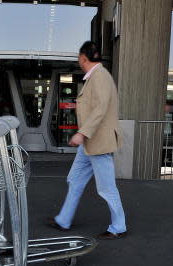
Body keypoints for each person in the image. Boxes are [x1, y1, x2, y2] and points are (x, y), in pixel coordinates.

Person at [49, 41, 127, 240]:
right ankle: (63, 220)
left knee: (107, 188)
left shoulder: (100, 76)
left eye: (79, 59)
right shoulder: (95, 76)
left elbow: (101, 108)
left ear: (84, 58)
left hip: (98, 142)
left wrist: (82, 133)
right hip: (90, 143)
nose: (79, 62)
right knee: (75, 179)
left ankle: (118, 226)